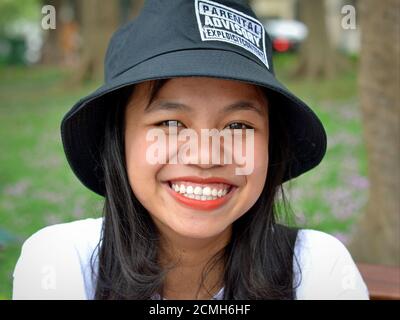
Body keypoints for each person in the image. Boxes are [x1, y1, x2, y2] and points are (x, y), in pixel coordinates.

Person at [12, 0, 369, 300]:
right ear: (119, 140)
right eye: (171, 125)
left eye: (239, 126)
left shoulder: (316, 267)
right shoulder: (63, 261)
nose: (205, 156)